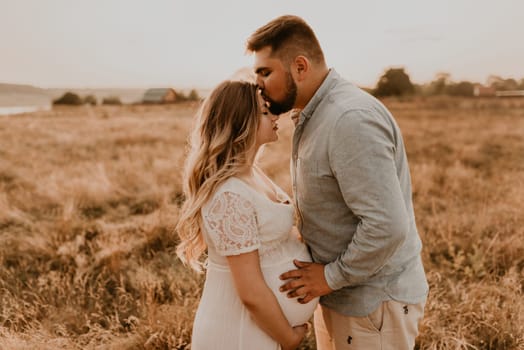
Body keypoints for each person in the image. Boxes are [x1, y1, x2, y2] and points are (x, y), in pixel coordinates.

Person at [246, 15, 429, 349]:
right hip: (340, 298)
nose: (258, 85)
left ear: (299, 67)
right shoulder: (315, 115)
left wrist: (330, 277)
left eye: (265, 72)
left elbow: (387, 226)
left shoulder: (348, 120)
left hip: (372, 306)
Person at [175, 79, 319, 350]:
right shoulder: (229, 195)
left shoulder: (251, 173)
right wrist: (288, 339)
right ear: (242, 122)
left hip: (261, 329)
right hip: (238, 332)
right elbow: (251, 292)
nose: (275, 116)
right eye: (265, 112)